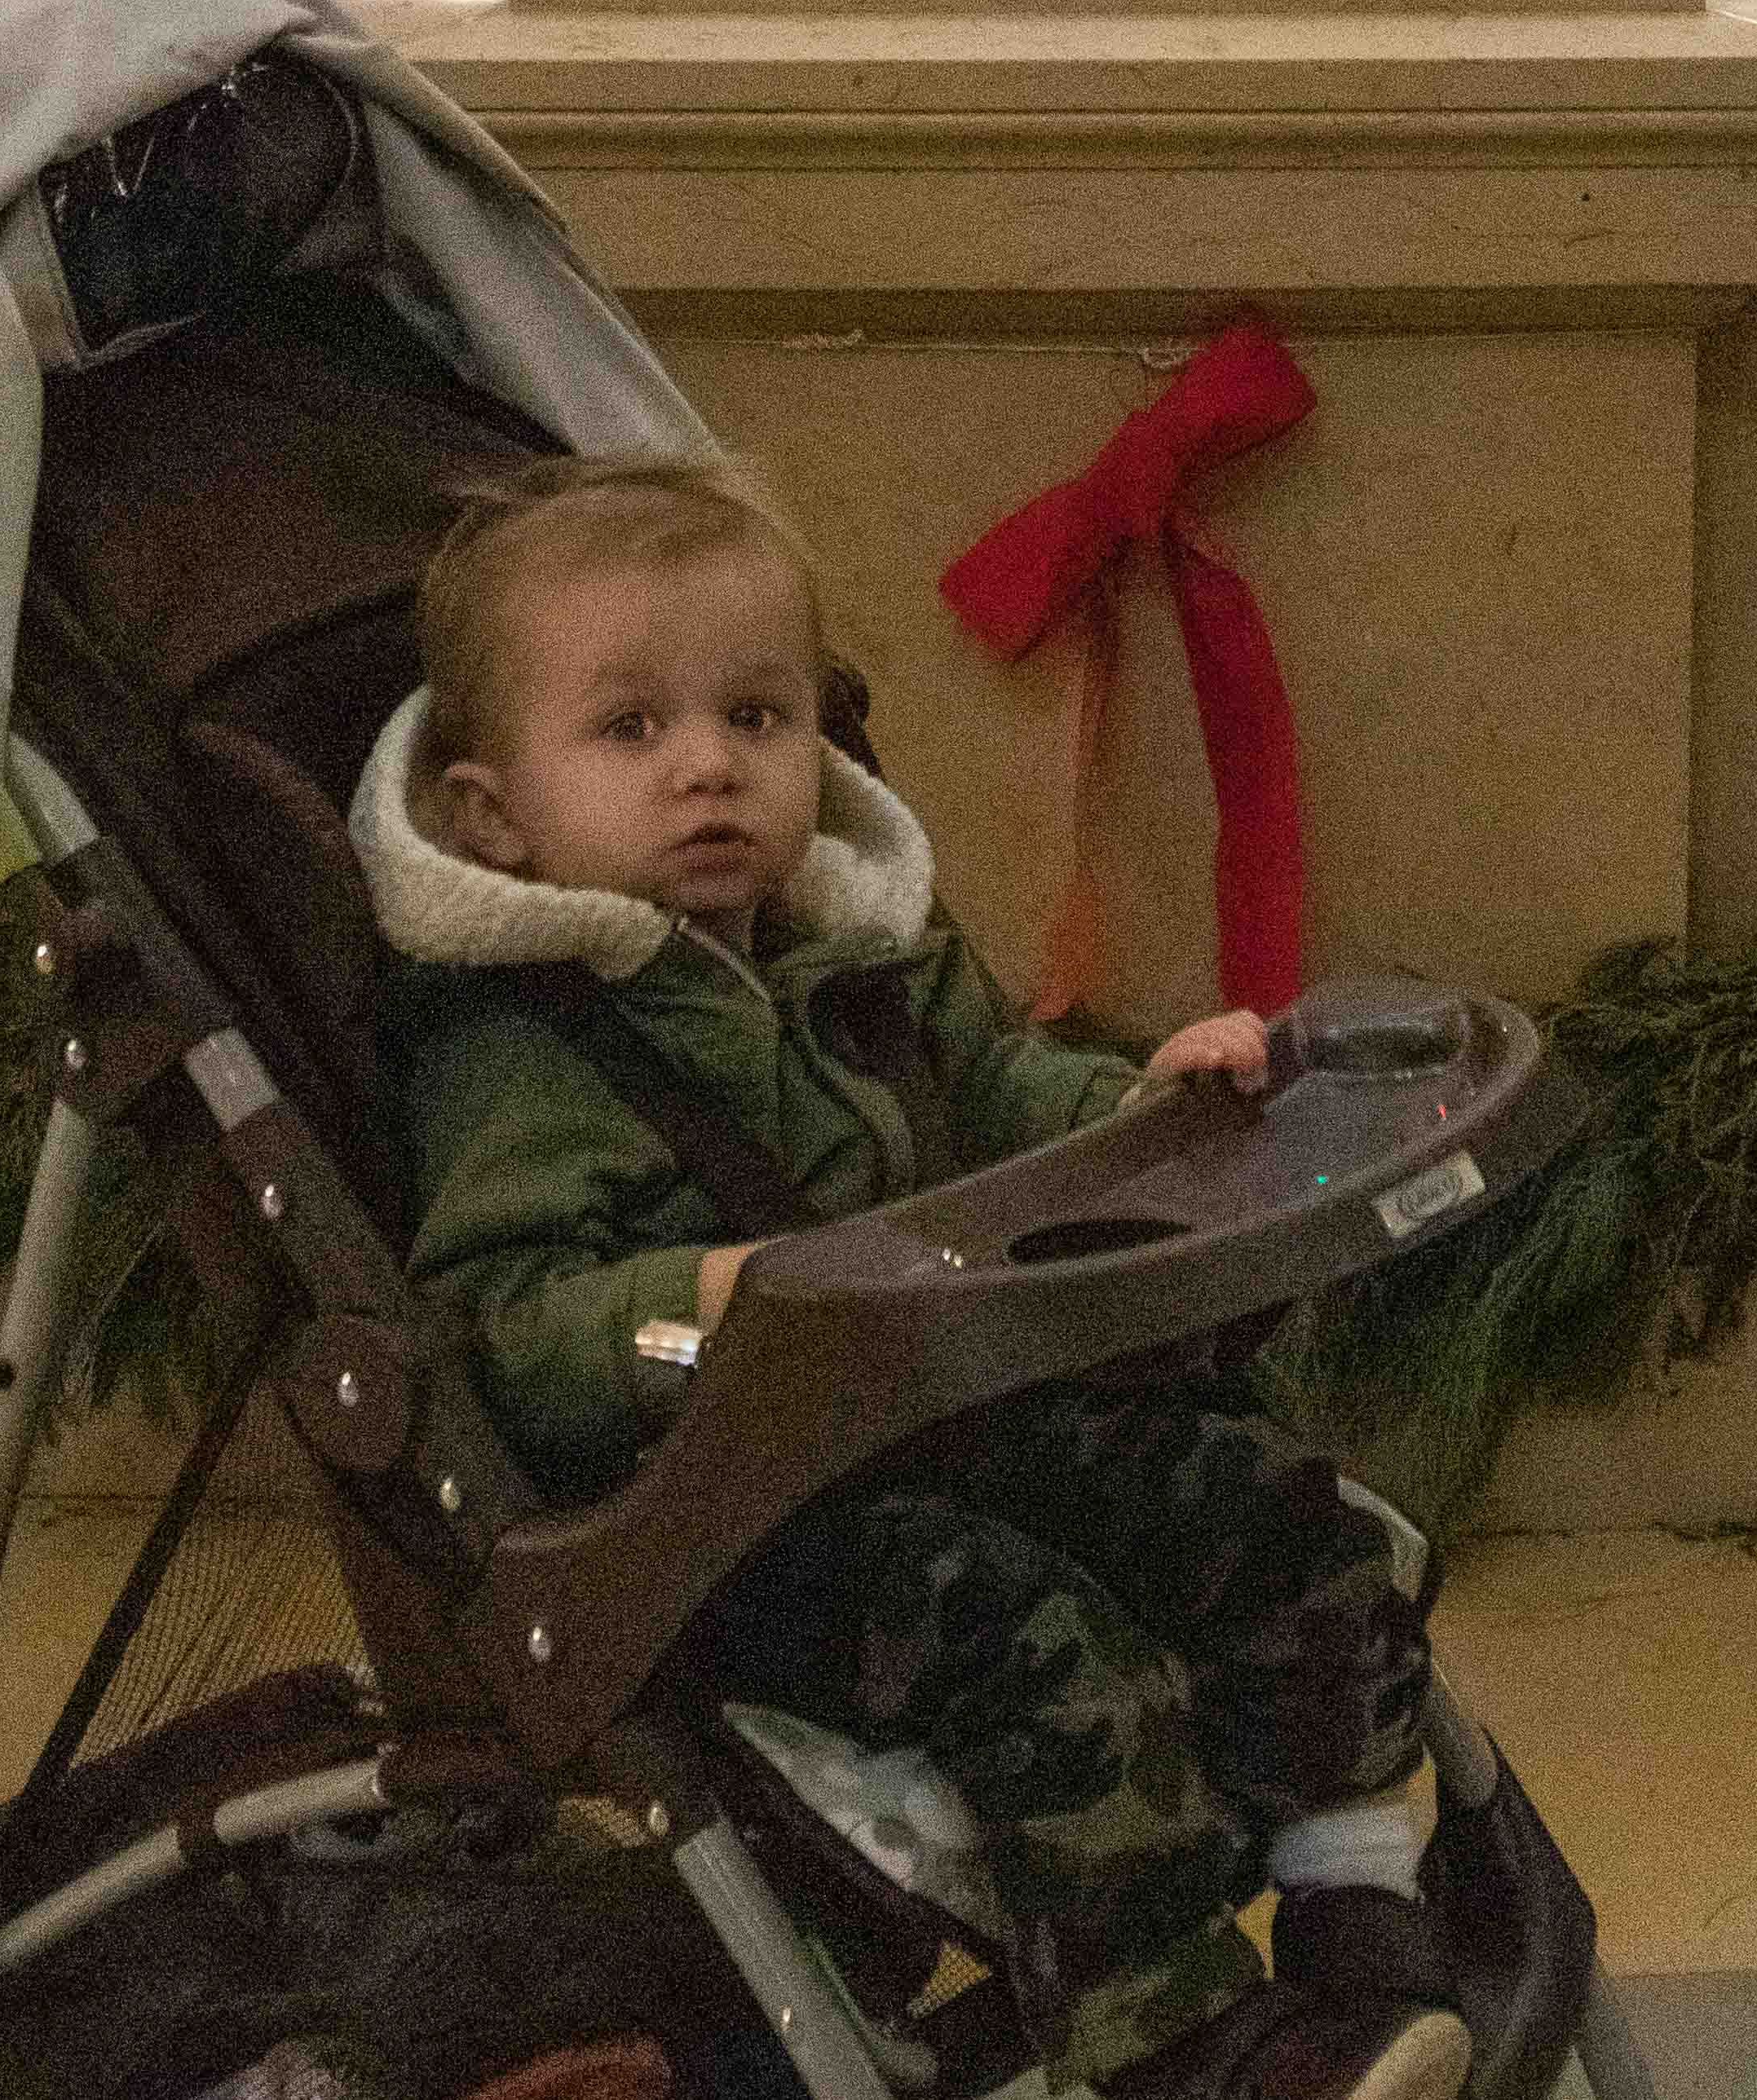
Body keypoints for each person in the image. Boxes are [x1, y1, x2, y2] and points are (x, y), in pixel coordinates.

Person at [351, 456, 1472, 2100]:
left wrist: (1158, 1112)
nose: (707, 772)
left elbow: (1005, 1112)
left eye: (756, 716)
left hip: (919, 1414)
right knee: (1030, 1638)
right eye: (630, 730)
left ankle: (1351, 1903)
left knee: (1260, 1502)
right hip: (714, 1517)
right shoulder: (519, 1047)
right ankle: (1182, 2048)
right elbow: (514, 1329)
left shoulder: (856, 951)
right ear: (488, 811)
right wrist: (711, 1295)